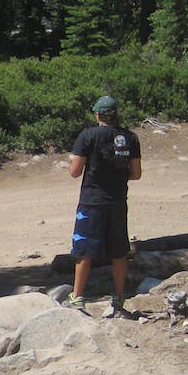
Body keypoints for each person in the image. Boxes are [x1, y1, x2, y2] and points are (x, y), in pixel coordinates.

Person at [65, 95, 142, 316]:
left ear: (97, 115)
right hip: (117, 201)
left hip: (92, 201)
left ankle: (77, 297)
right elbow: (136, 174)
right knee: (119, 252)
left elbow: (75, 172)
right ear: (116, 115)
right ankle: (119, 298)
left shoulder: (88, 136)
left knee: (84, 250)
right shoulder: (130, 138)